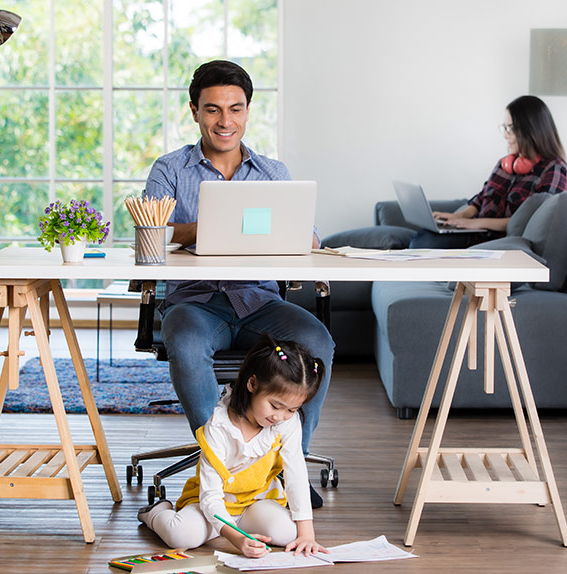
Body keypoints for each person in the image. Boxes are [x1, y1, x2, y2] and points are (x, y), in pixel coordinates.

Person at [143, 60, 334, 506]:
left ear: (248, 111)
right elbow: (151, 232)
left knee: (317, 342)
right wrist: (207, 226)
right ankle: (219, 465)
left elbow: (309, 240)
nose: (224, 121)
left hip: (259, 302)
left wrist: (300, 235)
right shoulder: (170, 170)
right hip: (196, 302)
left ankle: (290, 467)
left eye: (235, 108)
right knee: (187, 345)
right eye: (212, 110)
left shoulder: (272, 173)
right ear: (194, 111)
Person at [138, 335, 329, 558]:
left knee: (289, 533)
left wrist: (307, 534)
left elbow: (295, 471)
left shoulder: (286, 422)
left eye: (292, 409)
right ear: (252, 384)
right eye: (276, 406)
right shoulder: (218, 427)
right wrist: (237, 539)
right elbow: (210, 497)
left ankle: (242, 528)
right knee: (181, 535)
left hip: (255, 502)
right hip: (213, 505)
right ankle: (155, 513)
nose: (281, 416)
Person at [409, 95, 567, 249]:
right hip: (475, 231)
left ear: (532, 130)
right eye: (505, 128)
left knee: (424, 243)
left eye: (511, 129)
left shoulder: (554, 169)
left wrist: (475, 223)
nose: (505, 135)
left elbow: (532, 220)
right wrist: (459, 217)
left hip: (496, 240)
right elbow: (481, 199)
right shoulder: (505, 164)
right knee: (423, 237)